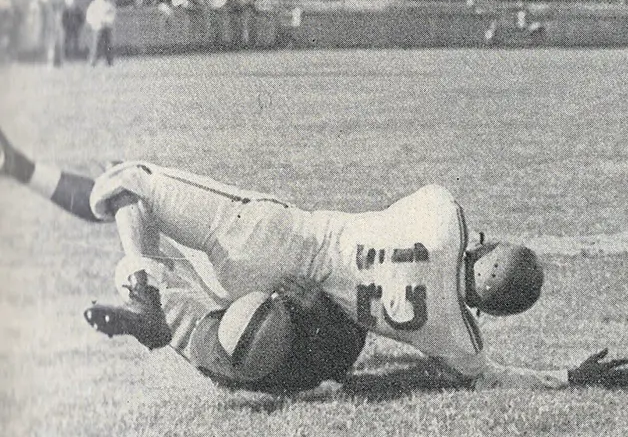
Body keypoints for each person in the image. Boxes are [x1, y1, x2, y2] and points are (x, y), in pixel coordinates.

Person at [0, 129, 628, 392]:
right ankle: (172, 316)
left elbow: (432, 214)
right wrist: (567, 378)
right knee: (232, 336)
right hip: (298, 308)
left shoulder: (445, 214)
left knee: (130, 184)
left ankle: (138, 269)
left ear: (485, 248)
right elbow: (491, 375)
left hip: (278, 237)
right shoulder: (454, 336)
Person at [0, 128, 366, 394]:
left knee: (129, 192)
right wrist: (318, 310)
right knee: (127, 204)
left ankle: (142, 289)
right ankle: (142, 287)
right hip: (240, 340)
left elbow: (347, 343)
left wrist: (317, 311)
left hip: (250, 307)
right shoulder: (251, 358)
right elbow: (348, 342)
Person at [84, 0, 117, 66]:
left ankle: (109, 62)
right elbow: (89, 15)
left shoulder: (108, 4)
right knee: (95, 45)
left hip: (107, 27)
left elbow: (112, 14)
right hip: (97, 27)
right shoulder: (94, 4)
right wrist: (93, 23)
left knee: (108, 45)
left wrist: (108, 21)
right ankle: (92, 61)